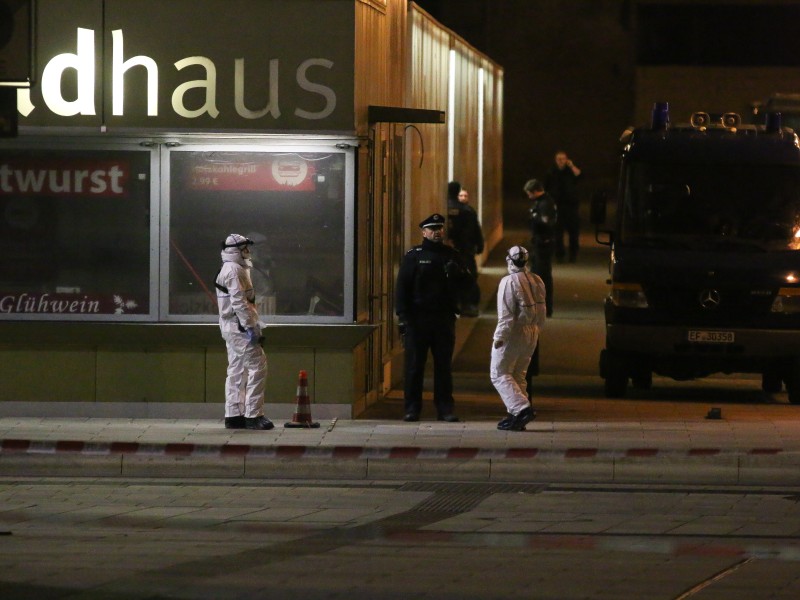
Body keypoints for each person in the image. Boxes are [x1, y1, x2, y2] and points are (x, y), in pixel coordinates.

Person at [395, 213, 469, 422]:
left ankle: (445, 408)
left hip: (443, 319)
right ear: (424, 232)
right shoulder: (414, 256)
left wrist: (459, 274)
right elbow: (402, 288)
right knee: (414, 366)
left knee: (443, 367)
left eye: (440, 228)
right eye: (432, 228)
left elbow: (468, 287)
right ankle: (412, 409)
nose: (437, 232)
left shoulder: (452, 255)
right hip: (418, 320)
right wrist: (403, 317)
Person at [215, 233, 273, 430]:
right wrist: (251, 327)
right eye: (245, 248)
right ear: (236, 250)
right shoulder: (234, 270)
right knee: (258, 365)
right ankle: (253, 415)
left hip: (233, 326)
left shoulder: (234, 268)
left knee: (237, 370)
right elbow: (239, 303)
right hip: (238, 327)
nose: (248, 252)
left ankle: (234, 414)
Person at [491, 246, 546, 431]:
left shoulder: (508, 282)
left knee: (499, 373)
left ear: (509, 260)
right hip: (531, 332)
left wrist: (500, 337)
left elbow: (506, 315)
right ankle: (515, 416)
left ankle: (521, 409)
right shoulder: (536, 280)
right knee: (518, 375)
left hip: (514, 332)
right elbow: (542, 311)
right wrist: (537, 330)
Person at [446, 182, 484, 317]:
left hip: (447, 250)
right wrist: (479, 245)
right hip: (464, 250)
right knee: (468, 276)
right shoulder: (467, 211)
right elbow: (475, 231)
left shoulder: (442, 209)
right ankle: (467, 306)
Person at [524, 178, 556, 317]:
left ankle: (544, 307)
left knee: (541, 276)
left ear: (535, 191)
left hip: (543, 244)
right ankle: (541, 307)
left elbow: (545, 223)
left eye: (529, 193)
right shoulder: (544, 202)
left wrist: (534, 218)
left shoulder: (545, 204)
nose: (528, 197)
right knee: (538, 276)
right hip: (541, 243)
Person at [544, 151, 582, 263]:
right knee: (558, 233)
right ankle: (559, 255)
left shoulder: (570, 171)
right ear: (556, 160)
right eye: (559, 159)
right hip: (557, 206)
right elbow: (546, 188)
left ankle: (573, 255)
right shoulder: (551, 172)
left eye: (563, 159)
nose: (561, 161)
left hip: (571, 207)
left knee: (573, 233)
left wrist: (571, 165)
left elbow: (579, 175)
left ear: (567, 160)